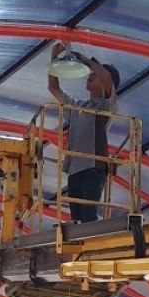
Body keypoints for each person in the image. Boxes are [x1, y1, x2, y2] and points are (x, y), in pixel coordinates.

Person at [47, 42, 120, 223]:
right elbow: (53, 88)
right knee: (77, 220)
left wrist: (85, 60)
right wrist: (54, 59)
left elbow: (107, 77)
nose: (90, 76)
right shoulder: (77, 107)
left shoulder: (105, 106)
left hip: (93, 168)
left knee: (88, 217)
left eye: (94, 75)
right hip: (75, 170)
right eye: (91, 74)